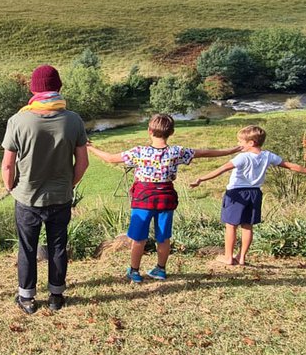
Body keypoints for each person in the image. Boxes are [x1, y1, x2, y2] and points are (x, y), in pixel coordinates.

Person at [87, 114, 239, 283]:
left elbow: (110, 158)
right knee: (163, 237)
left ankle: (134, 271)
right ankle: (160, 269)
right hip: (166, 198)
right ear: (171, 132)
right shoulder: (177, 152)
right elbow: (204, 153)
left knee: (138, 238)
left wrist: (89, 147)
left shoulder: (139, 152)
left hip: (143, 199)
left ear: (149, 131)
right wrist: (231, 150)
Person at [2, 65, 89, 314]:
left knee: (27, 248)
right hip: (61, 198)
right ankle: (56, 296)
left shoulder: (18, 120)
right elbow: (83, 162)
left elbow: (8, 165)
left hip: (27, 198)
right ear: (58, 87)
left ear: (33, 89)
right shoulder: (73, 120)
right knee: (58, 247)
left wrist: (11, 189)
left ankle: (27, 299)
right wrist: (68, 185)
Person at [190, 125, 306, 266]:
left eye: (240, 142)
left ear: (251, 143)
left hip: (236, 193)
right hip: (255, 193)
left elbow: (222, 169)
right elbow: (291, 166)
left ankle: (228, 257)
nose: (238, 145)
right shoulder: (268, 156)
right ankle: (241, 257)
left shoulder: (242, 157)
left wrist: (201, 179)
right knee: (248, 226)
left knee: (231, 225)